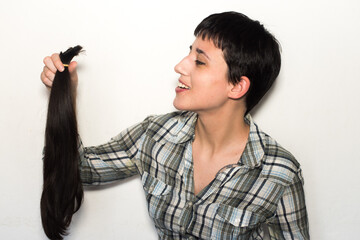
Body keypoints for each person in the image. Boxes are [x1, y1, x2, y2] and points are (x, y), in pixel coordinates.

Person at [41, 11, 309, 240]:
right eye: (188, 53)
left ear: (237, 86)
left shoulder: (280, 174)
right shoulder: (155, 135)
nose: (179, 66)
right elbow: (78, 170)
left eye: (200, 62)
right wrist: (66, 94)